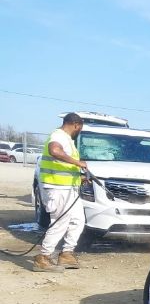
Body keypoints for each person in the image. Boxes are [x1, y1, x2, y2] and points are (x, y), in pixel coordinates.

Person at [33, 113, 88, 272]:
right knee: (60, 222)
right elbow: (55, 151)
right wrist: (79, 163)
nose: (79, 131)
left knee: (78, 220)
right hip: (57, 187)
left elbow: (64, 164)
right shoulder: (59, 136)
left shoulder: (67, 140)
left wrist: (80, 177)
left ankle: (66, 254)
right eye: (80, 128)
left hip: (68, 188)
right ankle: (43, 257)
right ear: (76, 125)